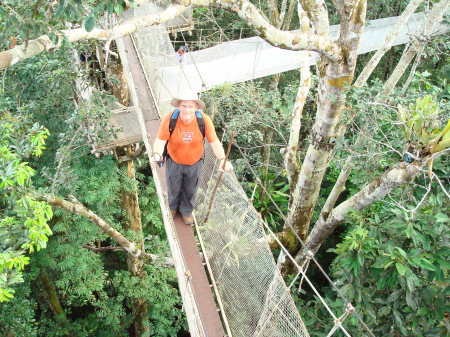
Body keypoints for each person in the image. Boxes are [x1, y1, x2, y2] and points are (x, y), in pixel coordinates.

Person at [152, 89, 232, 225]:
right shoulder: (170, 119)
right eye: (183, 106)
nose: (187, 110)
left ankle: (186, 211)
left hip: (195, 162)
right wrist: (157, 155)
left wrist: (222, 159)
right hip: (174, 160)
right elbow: (160, 141)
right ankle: (172, 207)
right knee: (173, 186)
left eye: (190, 106)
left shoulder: (204, 120)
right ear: (178, 106)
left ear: (196, 108)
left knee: (191, 188)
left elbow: (215, 142)